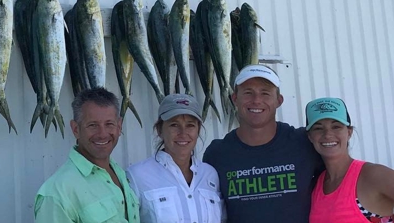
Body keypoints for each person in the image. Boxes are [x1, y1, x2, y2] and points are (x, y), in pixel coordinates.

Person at [202, 64, 323, 223]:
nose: (256, 100)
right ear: (235, 98)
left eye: (265, 93)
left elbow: (340, 183)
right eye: (248, 93)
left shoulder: (305, 142)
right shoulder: (217, 153)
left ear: (279, 100)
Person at [34, 87, 140, 223]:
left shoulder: (118, 173)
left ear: (119, 127)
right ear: (76, 129)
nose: (102, 134)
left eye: (109, 124)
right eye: (92, 125)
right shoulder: (56, 194)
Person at [126, 94, 226, 223]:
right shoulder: (136, 175)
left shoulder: (210, 174)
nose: (183, 133)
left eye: (190, 125)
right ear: (159, 130)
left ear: (198, 130)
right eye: (174, 125)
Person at [305, 97, 394, 222]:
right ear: (310, 136)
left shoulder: (372, 175)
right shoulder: (316, 185)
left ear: (349, 132)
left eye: (336, 126)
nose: (328, 134)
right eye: (318, 128)